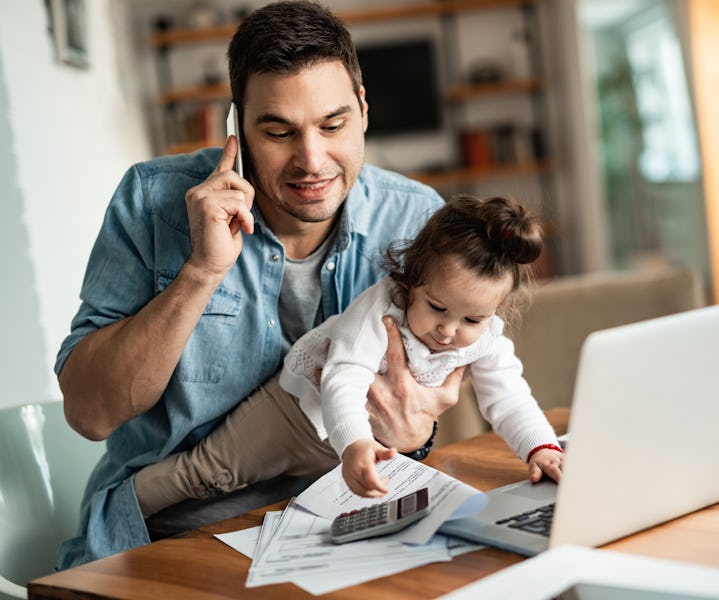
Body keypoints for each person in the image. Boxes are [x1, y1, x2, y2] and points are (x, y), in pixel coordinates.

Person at [54, 0, 462, 570]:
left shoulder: (418, 219)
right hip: (175, 532)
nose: (311, 160)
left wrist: (417, 432)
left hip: (350, 518)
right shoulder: (152, 203)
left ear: (364, 109)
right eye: (278, 132)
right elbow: (90, 414)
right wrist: (201, 271)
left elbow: (430, 400)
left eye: (333, 124)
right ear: (236, 128)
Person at [132, 194, 563, 516]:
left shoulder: (487, 338)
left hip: (351, 445)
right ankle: (128, 504)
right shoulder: (381, 308)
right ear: (412, 279)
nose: (449, 332)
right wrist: (356, 444)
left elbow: (508, 397)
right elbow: (344, 378)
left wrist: (540, 449)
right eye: (437, 308)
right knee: (208, 475)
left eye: (473, 319)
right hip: (295, 413)